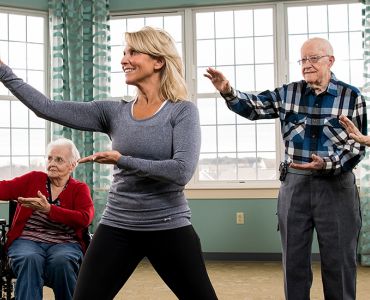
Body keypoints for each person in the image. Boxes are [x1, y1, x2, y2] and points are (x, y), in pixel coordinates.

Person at [0, 26, 218, 300]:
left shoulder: (182, 111)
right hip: (117, 226)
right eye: (124, 52)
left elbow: (181, 171)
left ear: (158, 61)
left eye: (133, 52)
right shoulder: (114, 112)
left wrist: (122, 160)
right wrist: (3, 71)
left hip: (168, 225)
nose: (124, 59)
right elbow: (46, 107)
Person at [205, 37, 366, 300]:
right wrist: (227, 90)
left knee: (339, 264)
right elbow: (254, 106)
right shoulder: (288, 92)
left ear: (330, 60)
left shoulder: (352, 97)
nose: (307, 65)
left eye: (313, 58)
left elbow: (358, 146)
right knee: (294, 264)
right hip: (295, 185)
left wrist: (327, 164)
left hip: (337, 186)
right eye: (303, 60)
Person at [0, 138, 94, 300]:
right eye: (50, 158)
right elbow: (4, 188)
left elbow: (85, 218)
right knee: (30, 258)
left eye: (59, 160)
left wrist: (49, 209)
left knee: (62, 261)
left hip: (65, 243)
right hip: (27, 240)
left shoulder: (79, 189)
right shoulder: (33, 179)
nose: (52, 163)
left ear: (72, 165)